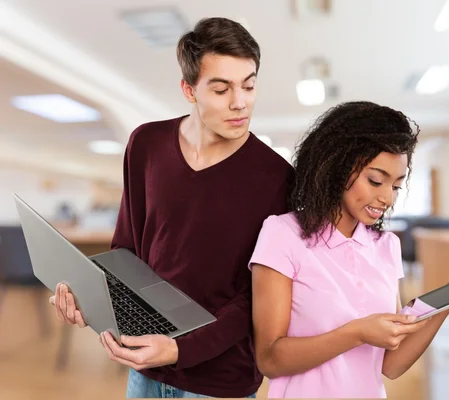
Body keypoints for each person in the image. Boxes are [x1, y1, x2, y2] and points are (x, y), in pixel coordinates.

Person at [49, 17, 294, 398]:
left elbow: (260, 298)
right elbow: (127, 251)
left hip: (220, 381)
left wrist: (181, 348)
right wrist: (88, 295)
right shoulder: (145, 144)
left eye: (249, 84)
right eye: (221, 89)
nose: (240, 102)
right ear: (188, 89)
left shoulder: (277, 177)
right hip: (146, 369)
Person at [249, 101, 449, 398]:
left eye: (396, 186)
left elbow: (390, 363)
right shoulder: (283, 234)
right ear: (335, 167)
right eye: (375, 180)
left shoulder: (386, 246)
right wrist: (357, 332)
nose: (386, 198)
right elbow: (270, 359)